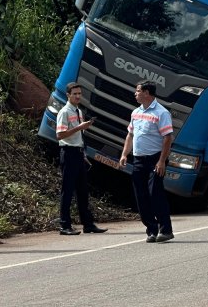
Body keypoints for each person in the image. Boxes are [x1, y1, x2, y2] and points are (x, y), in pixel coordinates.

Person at [119, 82, 174, 243]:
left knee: (155, 193)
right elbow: (130, 135)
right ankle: (151, 230)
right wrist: (124, 154)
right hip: (138, 159)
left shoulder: (161, 113)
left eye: (138, 91)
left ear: (147, 93)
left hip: (155, 160)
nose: (135, 93)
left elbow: (167, 138)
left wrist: (162, 161)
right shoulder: (136, 112)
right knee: (141, 196)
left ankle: (166, 229)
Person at [55, 82, 107, 236]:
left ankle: (88, 224)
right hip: (68, 153)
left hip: (78, 153)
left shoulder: (78, 111)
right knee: (67, 190)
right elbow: (60, 135)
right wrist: (79, 127)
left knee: (82, 191)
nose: (78, 96)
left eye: (79, 93)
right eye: (75, 94)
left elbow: (79, 136)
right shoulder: (64, 112)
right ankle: (64, 225)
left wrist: (83, 154)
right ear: (68, 95)